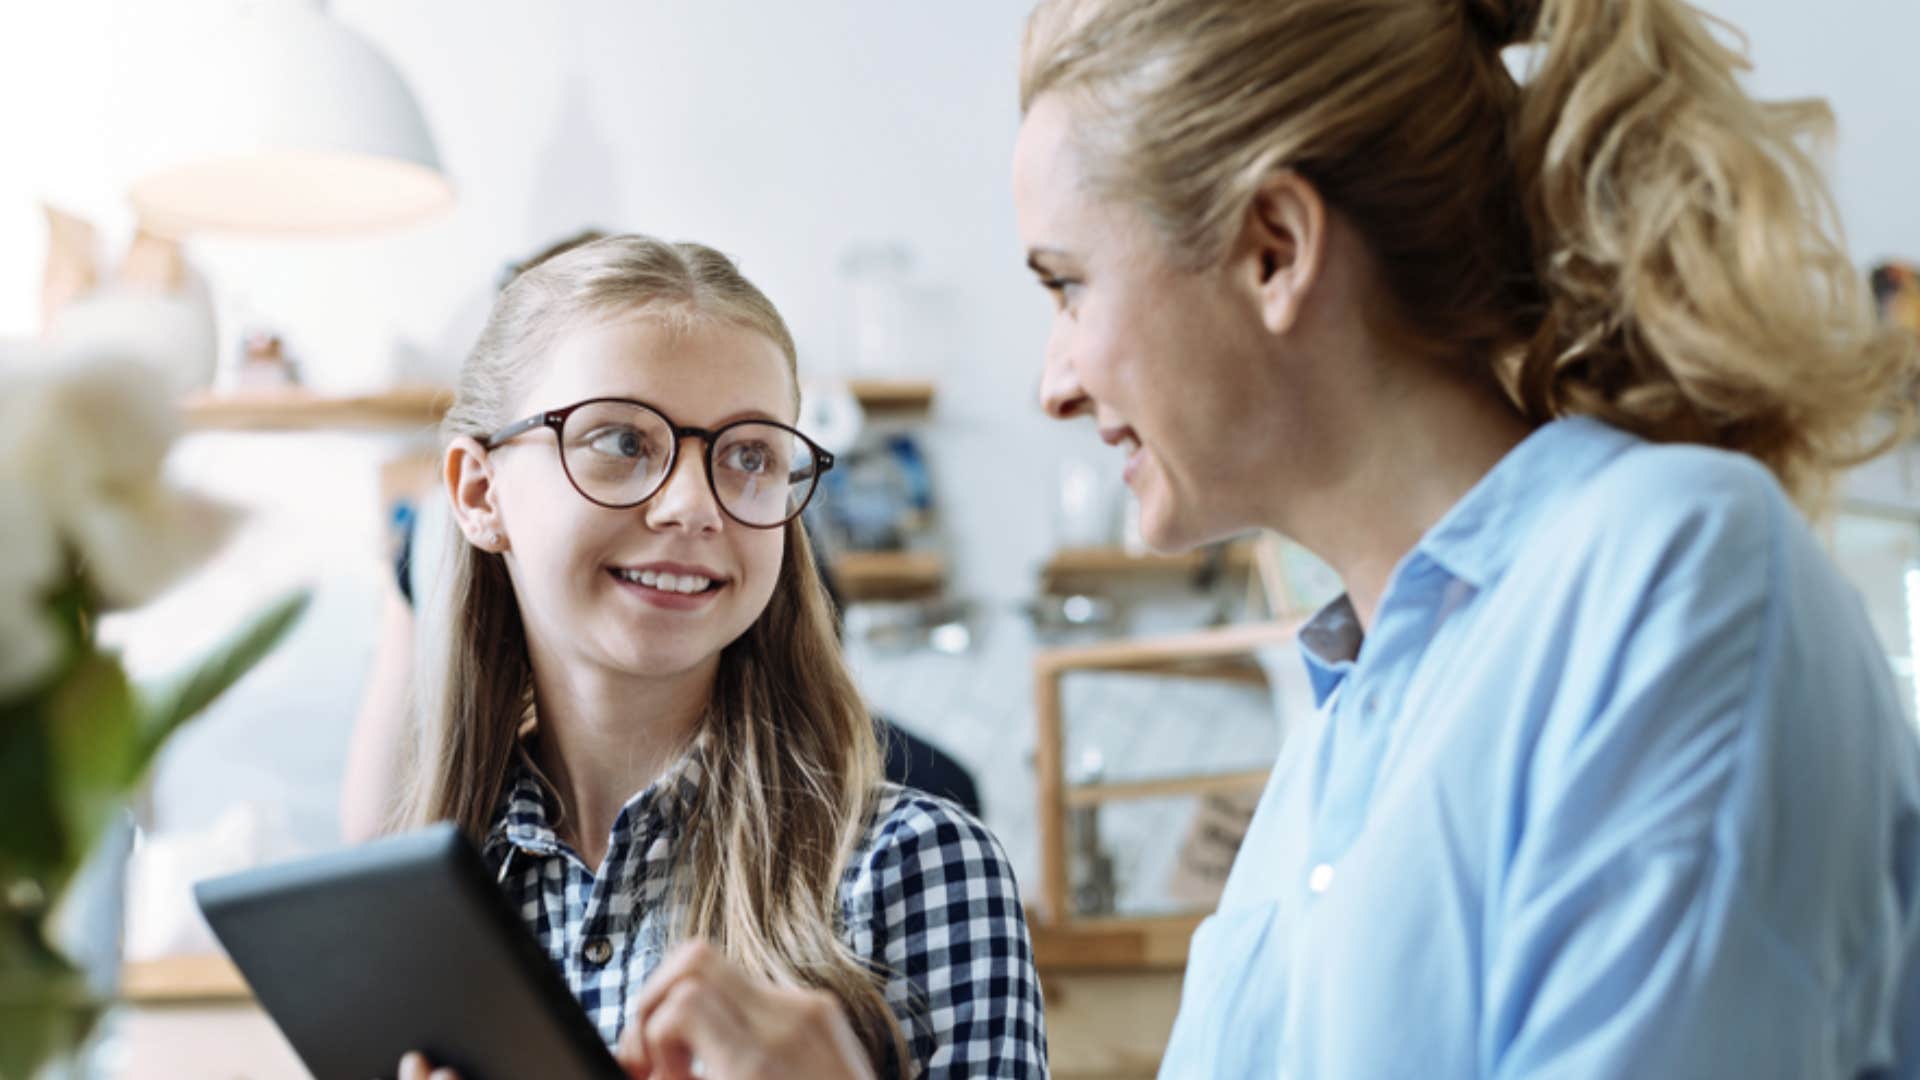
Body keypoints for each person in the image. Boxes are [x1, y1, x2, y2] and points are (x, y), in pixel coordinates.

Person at [1012, 0, 1920, 1076]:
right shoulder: (1336, 748)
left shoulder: (1671, 575)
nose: (1053, 385)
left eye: (1069, 286)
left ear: (1275, 250)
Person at [386, 235, 1046, 1079]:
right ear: (480, 493)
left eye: (748, 456)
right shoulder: (421, 917)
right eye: (622, 441)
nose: (695, 507)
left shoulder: (918, 868)